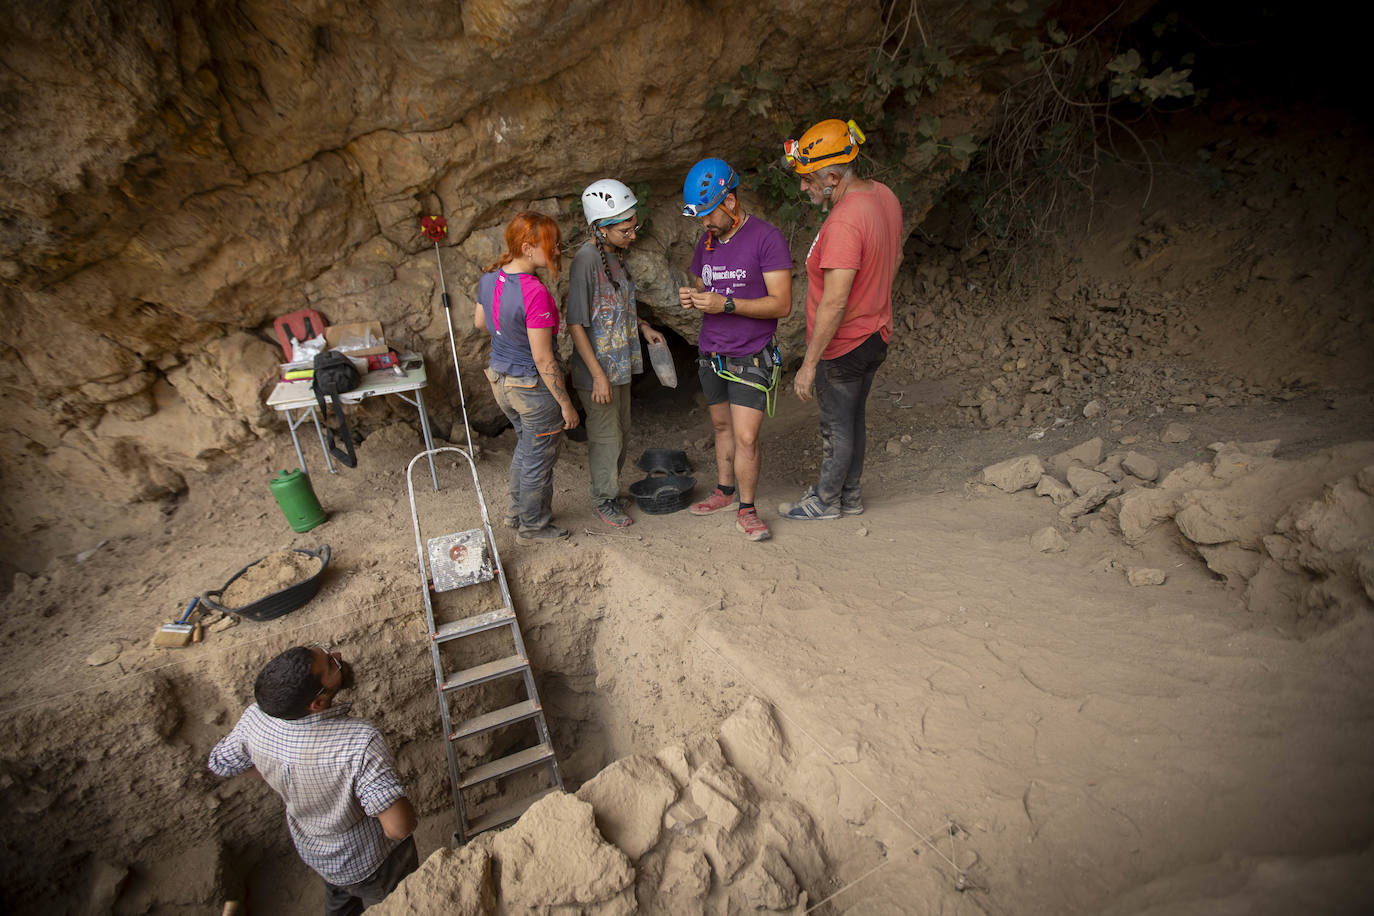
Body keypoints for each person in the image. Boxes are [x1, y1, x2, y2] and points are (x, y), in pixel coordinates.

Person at [208, 645, 418, 916]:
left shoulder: (256, 718)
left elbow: (221, 762)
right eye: (330, 665)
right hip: (372, 862)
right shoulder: (357, 742)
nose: (339, 656)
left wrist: (273, 772)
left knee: (340, 901)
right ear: (317, 703)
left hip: (317, 852)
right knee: (397, 906)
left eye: (327, 653)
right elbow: (398, 827)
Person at [778, 119, 902, 520]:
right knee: (854, 418)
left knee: (836, 426)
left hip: (845, 342)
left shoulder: (846, 221)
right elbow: (894, 258)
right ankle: (849, 494)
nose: (804, 187)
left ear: (832, 176)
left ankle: (826, 500)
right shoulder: (883, 196)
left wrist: (809, 364)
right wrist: (876, 299)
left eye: (809, 179)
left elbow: (834, 303)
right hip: (876, 332)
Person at [677, 158, 793, 542]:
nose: (705, 223)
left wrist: (726, 304)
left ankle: (747, 507)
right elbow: (703, 281)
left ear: (730, 201)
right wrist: (693, 297)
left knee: (746, 436)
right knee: (722, 427)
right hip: (712, 350)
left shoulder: (766, 238)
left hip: (751, 352)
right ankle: (724, 491)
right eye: (701, 217)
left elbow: (781, 304)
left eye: (709, 214)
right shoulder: (707, 241)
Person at [474, 210, 580, 543]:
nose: (557, 251)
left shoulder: (490, 278)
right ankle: (533, 526)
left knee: (526, 447)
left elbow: (480, 323)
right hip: (531, 386)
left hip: (500, 380)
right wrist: (566, 404)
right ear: (528, 246)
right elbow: (543, 356)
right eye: (552, 244)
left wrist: (507, 331)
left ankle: (516, 513)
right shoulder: (534, 292)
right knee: (539, 457)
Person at [568, 179, 667, 528]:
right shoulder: (586, 260)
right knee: (607, 437)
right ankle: (603, 499)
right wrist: (597, 374)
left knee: (621, 431)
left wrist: (644, 326)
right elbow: (577, 323)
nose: (632, 235)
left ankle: (609, 490)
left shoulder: (614, 256)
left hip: (620, 363)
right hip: (598, 370)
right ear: (601, 227)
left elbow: (616, 304)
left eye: (633, 226)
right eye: (625, 229)